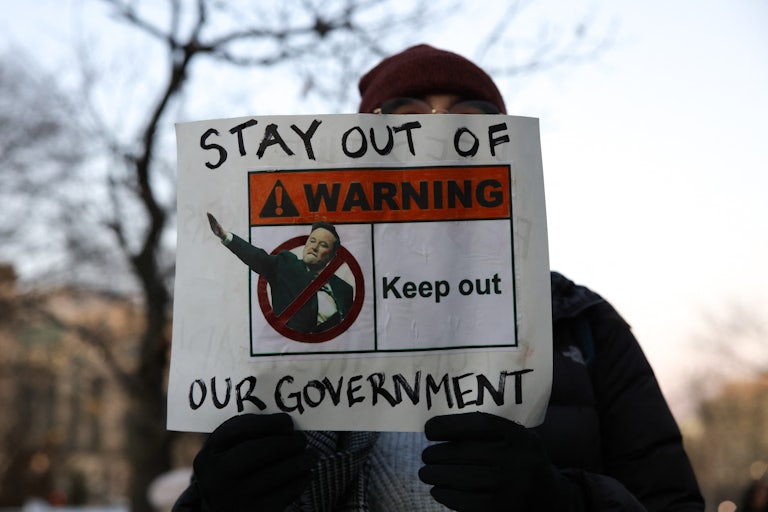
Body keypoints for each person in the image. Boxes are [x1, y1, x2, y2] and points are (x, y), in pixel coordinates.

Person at [175, 44, 705, 511]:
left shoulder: (580, 323)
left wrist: (561, 499)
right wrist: (212, 501)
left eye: (471, 117)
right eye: (402, 116)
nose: (436, 130)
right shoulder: (267, 334)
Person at [207, 212, 353, 333]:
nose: (314, 247)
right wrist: (226, 237)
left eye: (323, 245)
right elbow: (259, 258)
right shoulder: (285, 265)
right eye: (312, 241)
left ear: (332, 256)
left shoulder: (345, 290)